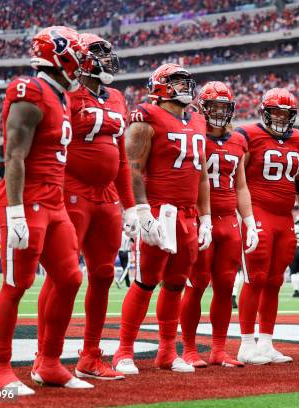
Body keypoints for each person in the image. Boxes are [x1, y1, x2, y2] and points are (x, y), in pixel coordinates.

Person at [0, 26, 92, 394]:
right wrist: (13, 210)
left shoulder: (59, 96)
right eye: (78, 59)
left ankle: (49, 362)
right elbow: (14, 154)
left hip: (54, 200)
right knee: (17, 284)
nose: (81, 68)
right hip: (27, 200)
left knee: (70, 278)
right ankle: (1, 369)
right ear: (60, 56)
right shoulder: (30, 90)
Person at [35, 33, 134, 381]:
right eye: (100, 55)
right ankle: (44, 354)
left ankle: (90, 354)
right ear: (82, 58)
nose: (108, 61)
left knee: (105, 275)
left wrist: (131, 206)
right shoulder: (66, 95)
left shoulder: (118, 98)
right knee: (64, 274)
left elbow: (122, 158)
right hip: (71, 189)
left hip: (107, 195)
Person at [112, 63, 211, 374]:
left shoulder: (197, 119)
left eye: (185, 81)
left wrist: (205, 216)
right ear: (161, 86)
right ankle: (124, 351)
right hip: (158, 210)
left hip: (188, 214)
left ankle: (167, 351)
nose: (184, 87)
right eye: (177, 81)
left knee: (176, 284)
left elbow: (203, 175)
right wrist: (142, 211)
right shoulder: (146, 116)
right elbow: (133, 168)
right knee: (145, 281)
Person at [180, 81, 259, 368]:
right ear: (202, 106)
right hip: (202, 219)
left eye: (223, 107)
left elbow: (241, 185)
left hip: (229, 221)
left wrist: (249, 220)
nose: (218, 112)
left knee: (225, 286)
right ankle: (189, 349)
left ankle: (218, 349)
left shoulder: (238, 140)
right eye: (213, 106)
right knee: (197, 284)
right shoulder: (193, 134)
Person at [235, 88, 299, 364]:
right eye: (276, 112)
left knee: (275, 281)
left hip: (284, 216)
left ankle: (266, 343)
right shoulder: (247, 135)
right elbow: (237, 178)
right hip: (257, 211)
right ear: (264, 112)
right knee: (254, 276)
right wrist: (243, 216)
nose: (280, 117)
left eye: (286, 113)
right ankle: (245, 343)